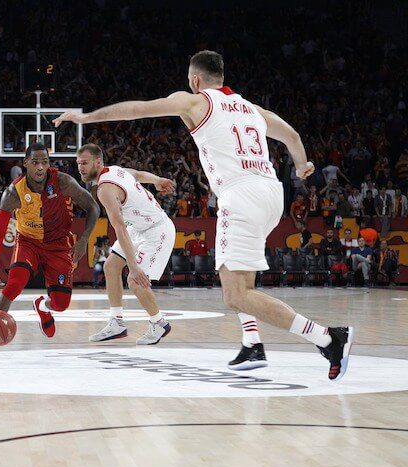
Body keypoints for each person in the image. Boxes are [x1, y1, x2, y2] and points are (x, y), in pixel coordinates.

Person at [54, 50, 354, 380]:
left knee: (235, 294)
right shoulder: (252, 109)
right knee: (241, 280)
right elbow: (293, 137)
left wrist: (84, 118)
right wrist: (301, 165)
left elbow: (137, 110)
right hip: (271, 193)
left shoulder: (196, 102)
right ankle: (252, 343)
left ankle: (328, 338)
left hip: (240, 195)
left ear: (195, 80)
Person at [0, 143, 100, 359]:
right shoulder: (13, 192)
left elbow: (93, 207)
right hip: (28, 242)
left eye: (44, 162)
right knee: (13, 285)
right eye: (35, 162)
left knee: (61, 304)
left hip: (59, 244)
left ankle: (42, 305)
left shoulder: (63, 182)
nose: (40, 167)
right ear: (25, 164)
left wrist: (84, 239)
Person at [75, 144, 177, 344]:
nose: (80, 168)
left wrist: (133, 266)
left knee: (135, 280)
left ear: (98, 162)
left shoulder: (105, 189)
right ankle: (117, 323)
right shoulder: (116, 170)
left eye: (85, 163)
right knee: (110, 266)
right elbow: (138, 174)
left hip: (157, 231)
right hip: (139, 228)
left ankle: (159, 323)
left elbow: (119, 227)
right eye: (78, 163)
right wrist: (158, 180)